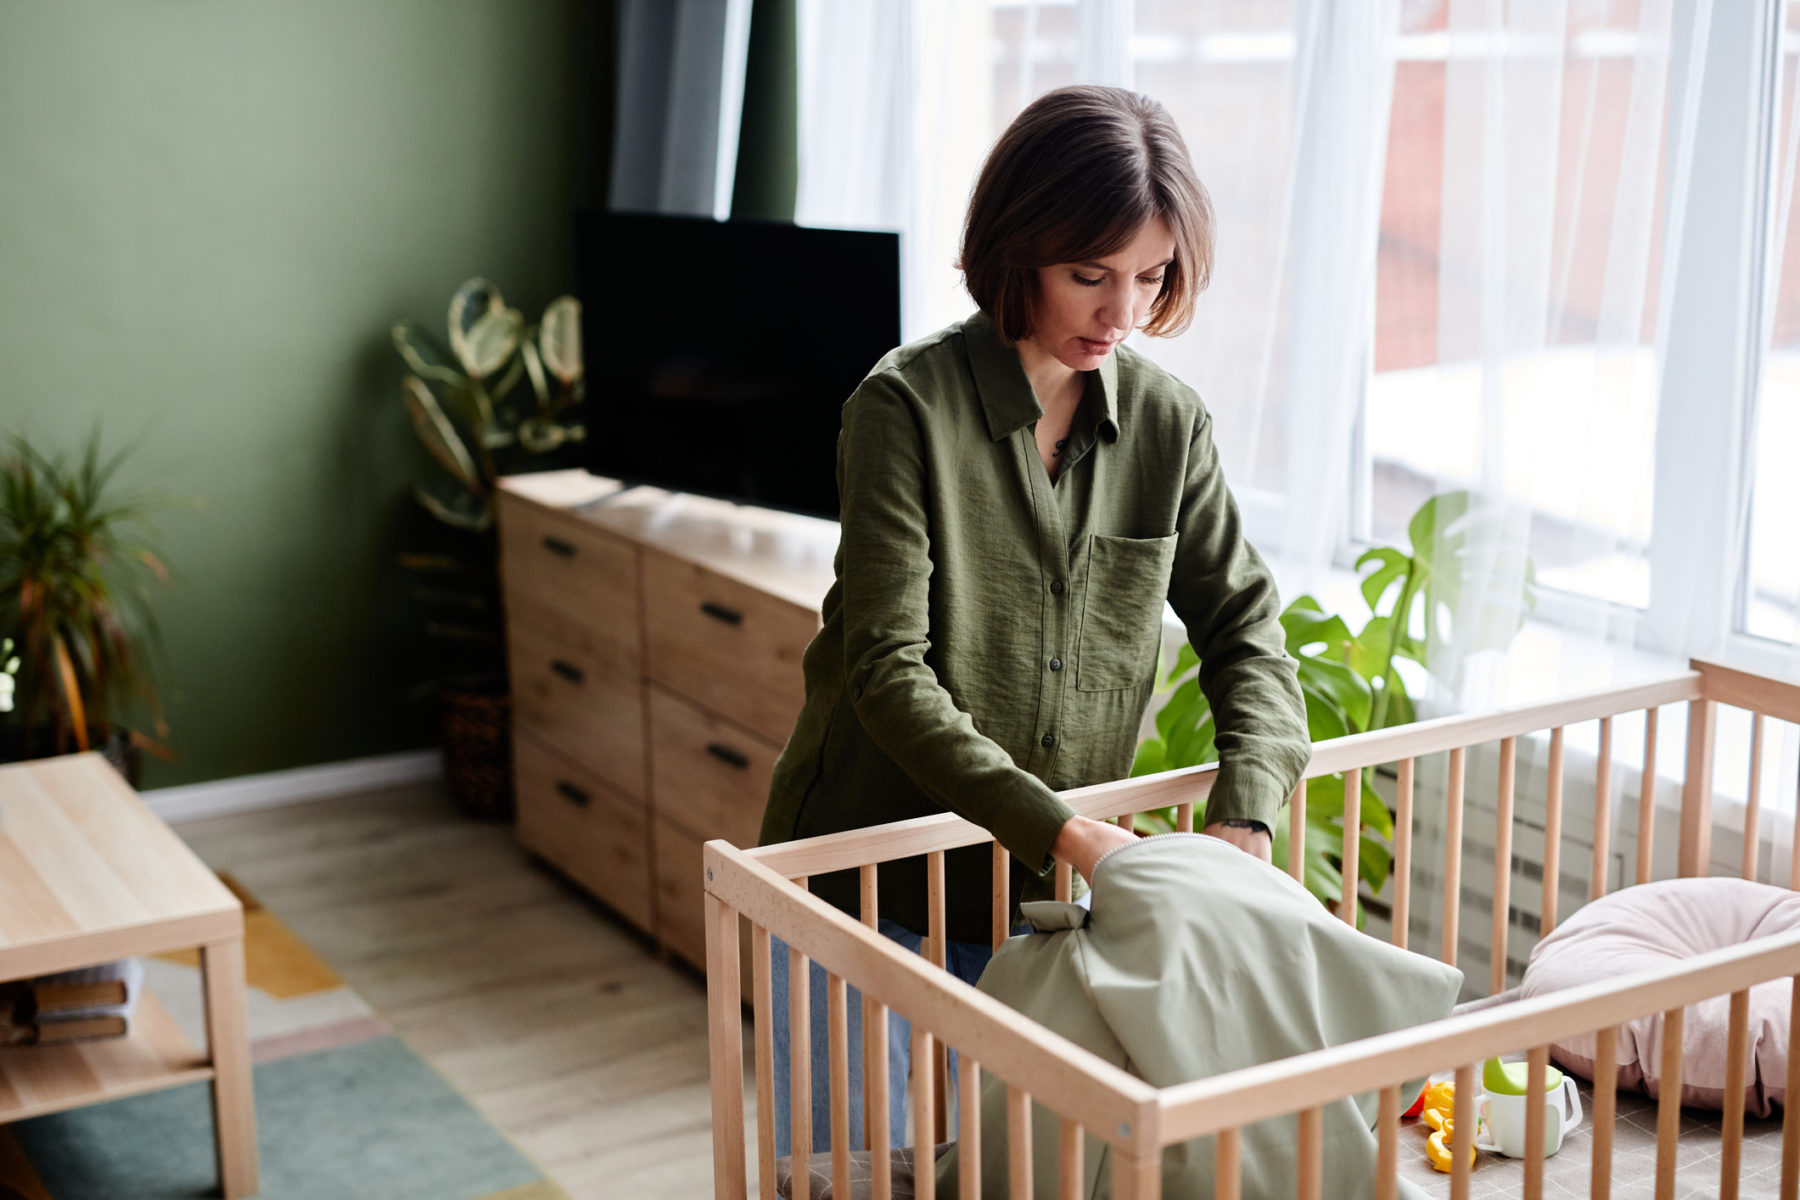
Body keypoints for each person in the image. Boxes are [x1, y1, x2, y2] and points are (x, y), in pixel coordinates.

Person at [758, 83, 1311, 1159]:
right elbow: (886, 670)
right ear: (1020, 251)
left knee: (1017, 1175)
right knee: (854, 1176)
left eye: (1151, 279)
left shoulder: (1167, 425)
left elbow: (1246, 628)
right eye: (1088, 276)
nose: (1123, 314)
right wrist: (1069, 831)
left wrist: (1246, 816)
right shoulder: (903, 409)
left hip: (1047, 909)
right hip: (868, 882)